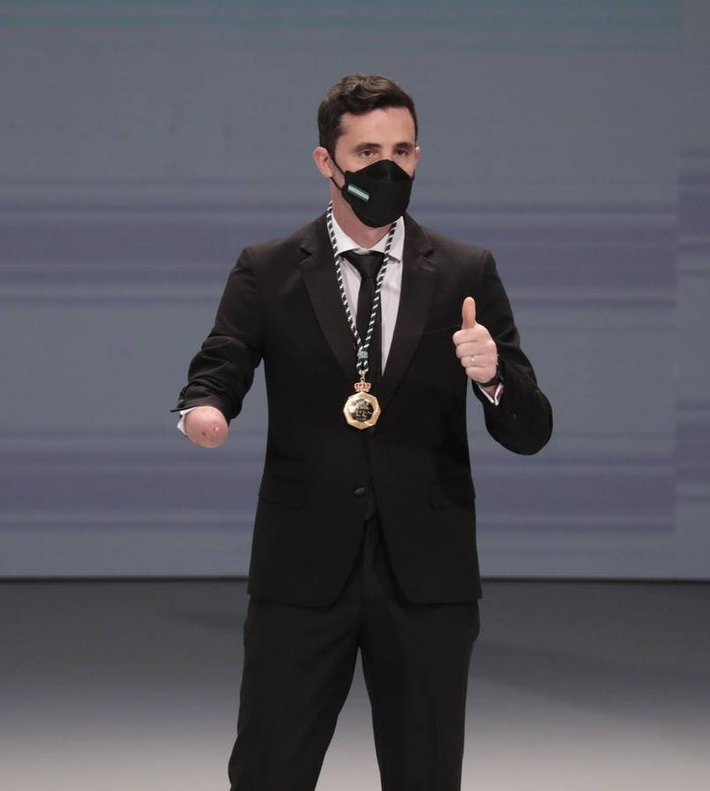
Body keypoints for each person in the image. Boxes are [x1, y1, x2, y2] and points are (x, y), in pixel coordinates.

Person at [175, 74, 552, 790]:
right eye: (368, 149)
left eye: (404, 150)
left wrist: (493, 373)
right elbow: (220, 364)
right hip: (302, 568)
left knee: (425, 774)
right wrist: (204, 408)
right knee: (269, 769)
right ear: (327, 162)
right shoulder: (270, 269)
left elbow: (530, 428)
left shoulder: (466, 271)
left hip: (427, 575)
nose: (389, 166)